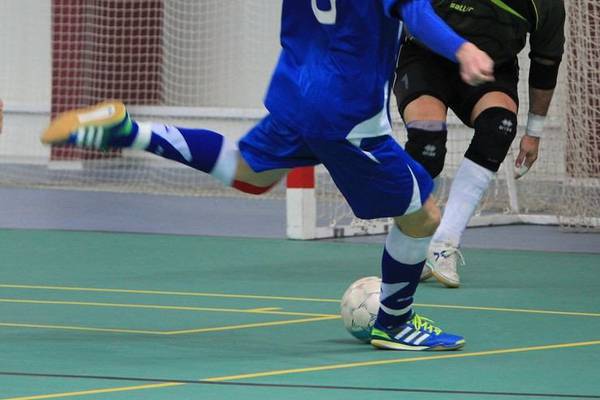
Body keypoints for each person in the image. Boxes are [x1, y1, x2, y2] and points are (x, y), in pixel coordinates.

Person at [41, 0, 493, 350]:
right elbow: (413, 9)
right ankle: (395, 322)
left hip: (295, 89)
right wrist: (462, 47)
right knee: (422, 216)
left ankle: (132, 131)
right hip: (345, 109)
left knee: (250, 174)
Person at [394, 0, 565, 288]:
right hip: (425, 57)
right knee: (427, 144)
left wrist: (533, 132)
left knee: (499, 127)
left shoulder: (547, 5)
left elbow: (546, 65)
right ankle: (413, 242)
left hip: (490, 68)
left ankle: (444, 243)